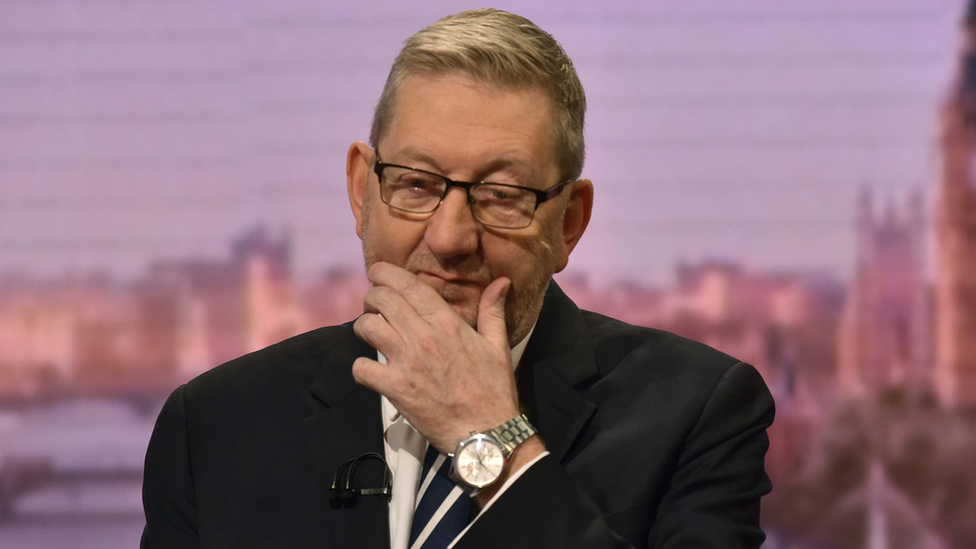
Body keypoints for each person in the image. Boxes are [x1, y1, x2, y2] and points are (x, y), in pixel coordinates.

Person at [141, 8, 774, 549]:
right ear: (363, 190)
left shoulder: (698, 414)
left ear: (569, 222)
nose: (449, 239)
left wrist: (490, 439)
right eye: (416, 184)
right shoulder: (216, 428)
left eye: (501, 195)